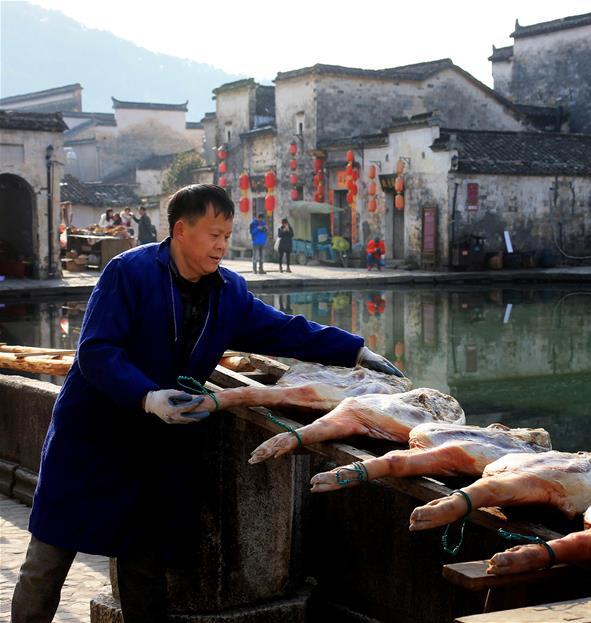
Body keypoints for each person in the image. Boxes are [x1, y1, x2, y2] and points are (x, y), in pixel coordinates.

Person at [10, 184, 401, 623]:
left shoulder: (226, 291)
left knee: (144, 562)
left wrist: (354, 350)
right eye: (214, 234)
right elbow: (97, 352)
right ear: (181, 230)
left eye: (226, 234)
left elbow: (283, 329)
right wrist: (146, 396)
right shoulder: (128, 272)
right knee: (48, 557)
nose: (222, 244)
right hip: (94, 435)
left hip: (153, 448)